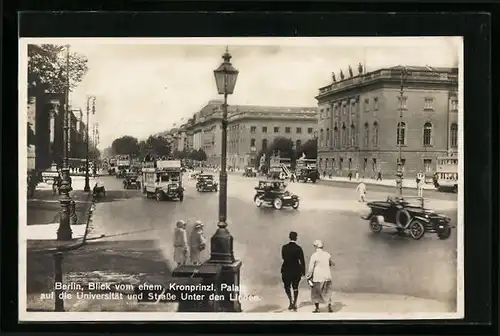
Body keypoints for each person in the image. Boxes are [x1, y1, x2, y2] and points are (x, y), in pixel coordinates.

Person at [307, 240, 334, 313]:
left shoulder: (314, 255)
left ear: (316, 246)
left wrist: (308, 276)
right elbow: (331, 263)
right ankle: (329, 307)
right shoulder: (327, 254)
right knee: (327, 292)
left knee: (316, 293)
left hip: (318, 276)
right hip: (327, 275)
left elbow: (311, 267)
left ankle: (317, 308)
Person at [281, 231, 306, 311]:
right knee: (295, 287)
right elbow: (302, 261)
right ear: (296, 238)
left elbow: (283, 257)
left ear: (289, 237)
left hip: (286, 269)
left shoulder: (284, 247)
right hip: (296, 270)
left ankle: (290, 301)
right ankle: (294, 303)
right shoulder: (298, 248)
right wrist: (303, 272)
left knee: (287, 287)